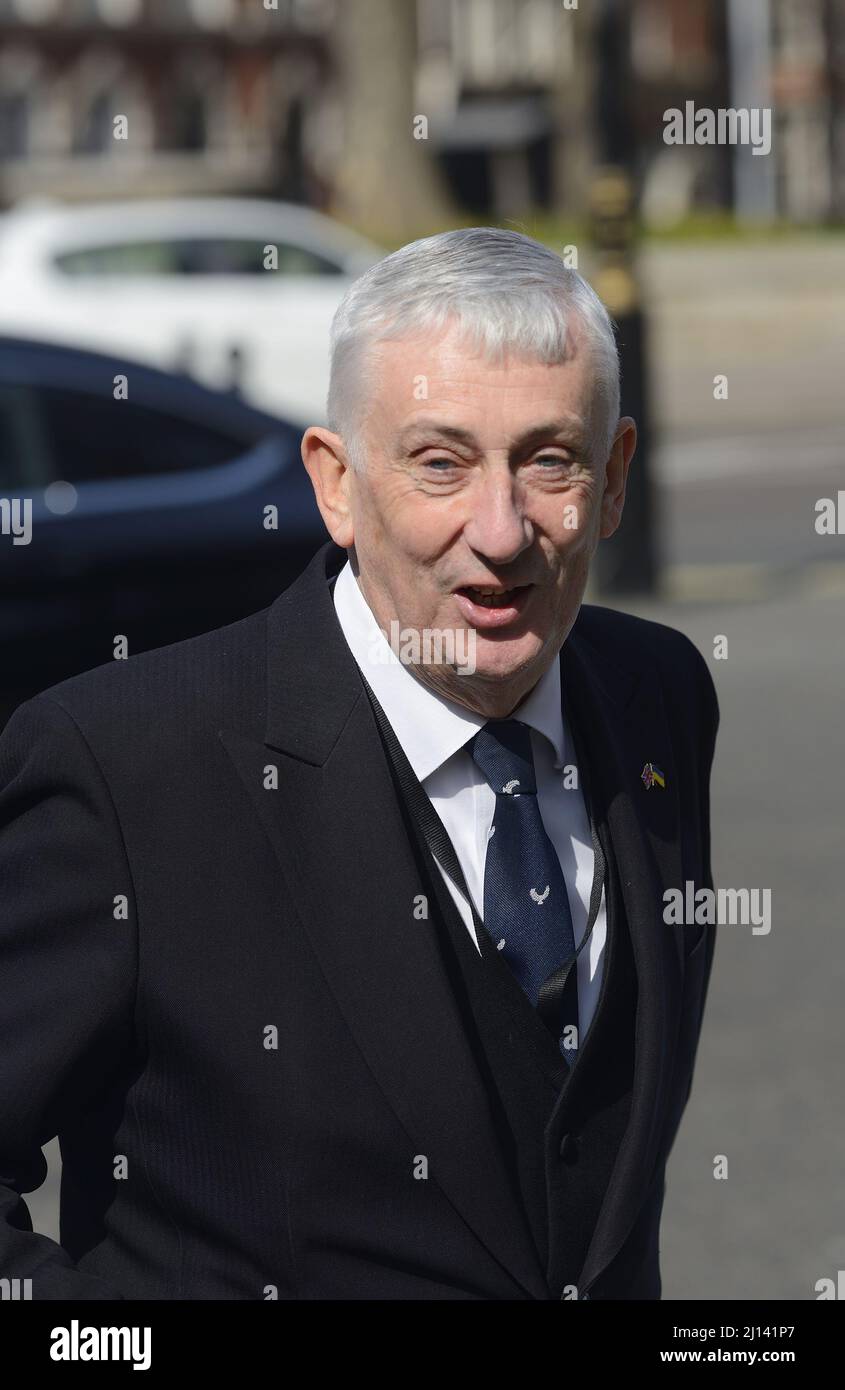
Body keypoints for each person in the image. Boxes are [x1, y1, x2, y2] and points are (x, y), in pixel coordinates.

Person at [0, 228, 718, 1301]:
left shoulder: (656, 696)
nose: (499, 529)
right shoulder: (124, 770)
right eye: (439, 461)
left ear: (612, 480)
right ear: (335, 484)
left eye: (547, 460)